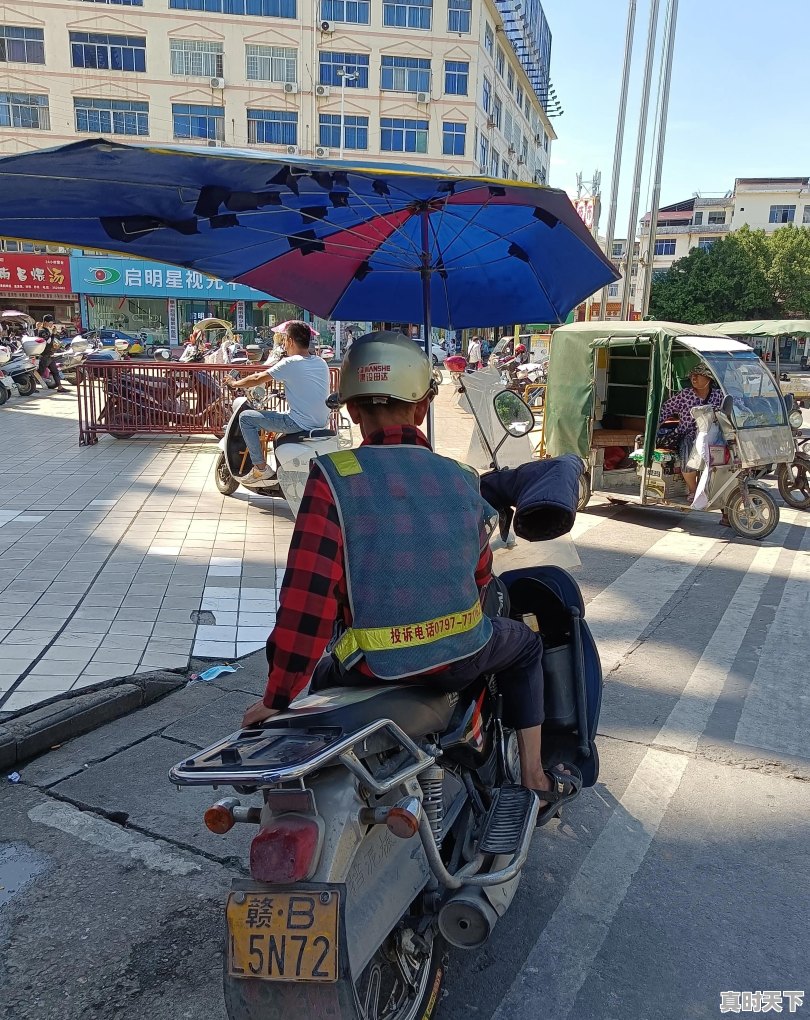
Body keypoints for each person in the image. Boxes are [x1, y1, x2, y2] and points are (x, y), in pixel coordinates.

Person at [241, 331, 581, 813]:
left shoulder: (332, 478)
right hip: (461, 658)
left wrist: (278, 697)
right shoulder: (462, 479)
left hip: (367, 668)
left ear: (353, 411)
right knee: (525, 646)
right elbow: (481, 578)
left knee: (316, 690)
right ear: (422, 408)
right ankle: (534, 775)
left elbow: (305, 606)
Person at [225, 320, 329, 482]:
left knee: (246, 418)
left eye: (284, 340)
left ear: (290, 341)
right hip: (321, 423)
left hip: (299, 423)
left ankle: (260, 468)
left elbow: (258, 378)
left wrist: (234, 383)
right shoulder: (321, 363)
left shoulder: (290, 362)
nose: (283, 344)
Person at [658, 362, 724, 498]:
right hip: (688, 434)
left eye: (699, 375)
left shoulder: (718, 395)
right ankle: (693, 490)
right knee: (688, 457)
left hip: (713, 435)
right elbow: (666, 409)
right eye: (692, 376)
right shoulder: (685, 394)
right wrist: (653, 426)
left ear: (709, 379)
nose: (694, 378)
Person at [35, 327, 69, 393]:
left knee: (55, 372)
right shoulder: (42, 331)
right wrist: (53, 334)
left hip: (50, 355)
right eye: (50, 322)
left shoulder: (46, 330)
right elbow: (48, 342)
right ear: (45, 321)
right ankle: (32, 387)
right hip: (45, 355)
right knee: (40, 372)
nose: (51, 324)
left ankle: (60, 387)